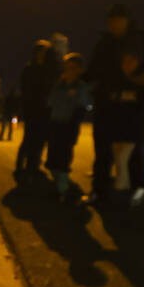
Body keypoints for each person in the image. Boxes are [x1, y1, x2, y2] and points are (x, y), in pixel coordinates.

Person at [83, 4, 144, 206]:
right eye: (111, 20)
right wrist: (75, 79)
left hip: (134, 106)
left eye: (118, 19)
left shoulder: (142, 40)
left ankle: (138, 192)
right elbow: (92, 71)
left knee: (135, 151)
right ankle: (99, 192)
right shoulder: (104, 43)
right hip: (107, 104)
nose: (114, 24)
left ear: (128, 20)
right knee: (102, 151)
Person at [46, 52, 92, 203]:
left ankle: (63, 189)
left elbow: (82, 107)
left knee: (64, 157)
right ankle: (59, 182)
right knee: (52, 157)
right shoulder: (59, 85)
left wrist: (71, 123)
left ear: (79, 70)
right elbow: (50, 102)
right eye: (66, 68)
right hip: (55, 124)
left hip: (69, 126)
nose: (68, 71)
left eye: (72, 68)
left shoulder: (81, 87)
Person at [15, 40, 58, 177]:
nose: (41, 54)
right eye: (39, 51)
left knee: (40, 139)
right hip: (32, 110)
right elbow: (25, 90)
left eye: (45, 52)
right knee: (29, 138)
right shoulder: (29, 69)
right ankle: (21, 164)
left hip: (46, 110)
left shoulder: (50, 70)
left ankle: (34, 165)